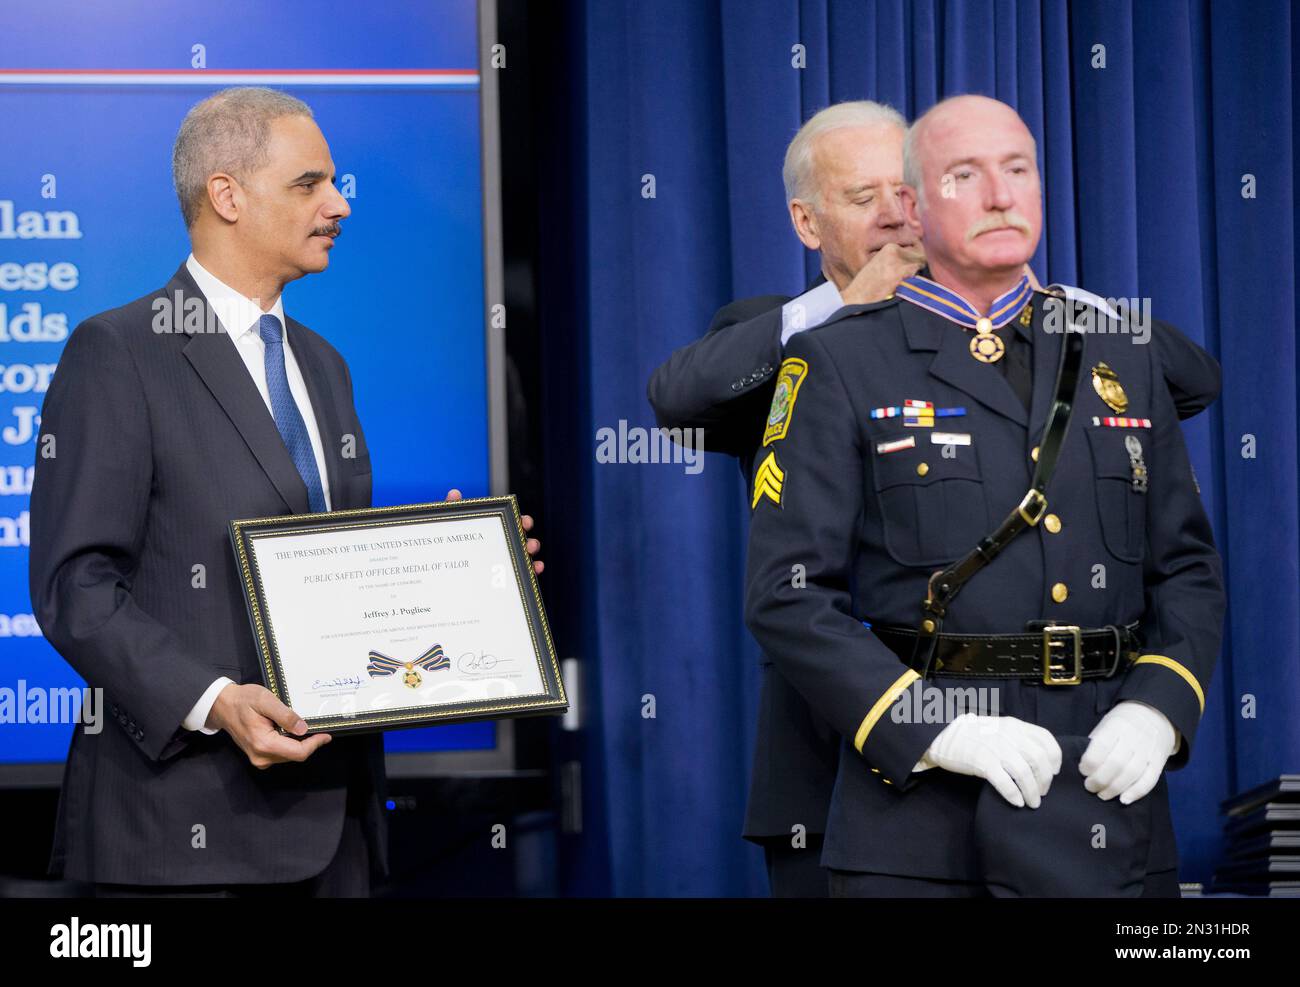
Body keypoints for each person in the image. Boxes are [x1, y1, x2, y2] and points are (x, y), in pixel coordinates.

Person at [648, 101, 1221, 896]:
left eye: (906, 189)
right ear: (806, 222)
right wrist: (850, 310)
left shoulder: (1056, 331)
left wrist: (1028, 298)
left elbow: (1189, 380)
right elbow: (678, 396)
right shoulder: (796, 343)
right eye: (863, 198)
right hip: (841, 753)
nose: (896, 214)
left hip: (1060, 765)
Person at [27, 87, 540, 897]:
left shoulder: (323, 363)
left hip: (339, 829)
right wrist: (215, 699)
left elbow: (329, 571)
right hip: (181, 836)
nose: (338, 204)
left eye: (333, 183)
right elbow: (74, 586)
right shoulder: (117, 351)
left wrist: (451, 569)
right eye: (309, 184)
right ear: (226, 194)